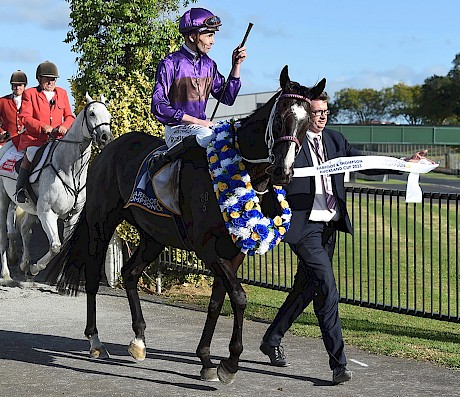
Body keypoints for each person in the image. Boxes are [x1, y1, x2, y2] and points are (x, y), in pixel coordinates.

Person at [259, 91, 430, 384]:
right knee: (327, 289)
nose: (322, 116)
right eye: (315, 112)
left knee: (306, 288)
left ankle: (271, 339)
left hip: (329, 227)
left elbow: (363, 163)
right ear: (305, 114)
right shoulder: (291, 144)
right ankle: (339, 364)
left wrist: (403, 163)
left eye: (326, 111)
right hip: (303, 229)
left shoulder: (336, 141)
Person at [149, 7, 247, 176]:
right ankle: (162, 159)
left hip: (201, 129)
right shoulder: (170, 63)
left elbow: (228, 97)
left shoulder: (209, 65)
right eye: (209, 35)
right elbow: (158, 106)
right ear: (192, 36)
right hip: (177, 130)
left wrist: (236, 66)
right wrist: (198, 121)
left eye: (213, 35)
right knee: (208, 135)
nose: (213, 41)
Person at [15, 61, 75, 203]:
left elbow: (70, 116)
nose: (51, 81)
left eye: (53, 78)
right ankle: (20, 188)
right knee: (31, 154)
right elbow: (25, 117)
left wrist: (65, 126)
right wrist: (43, 127)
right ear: (39, 78)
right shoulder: (30, 94)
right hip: (36, 139)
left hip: (58, 139)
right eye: (47, 78)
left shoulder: (62, 93)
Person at [0, 70, 28, 145]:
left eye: (20, 85)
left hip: (25, 140)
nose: (17, 87)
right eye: (15, 85)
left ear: (24, 86)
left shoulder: (30, 101)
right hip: (7, 141)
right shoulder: (3, 101)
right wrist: (2, 131)